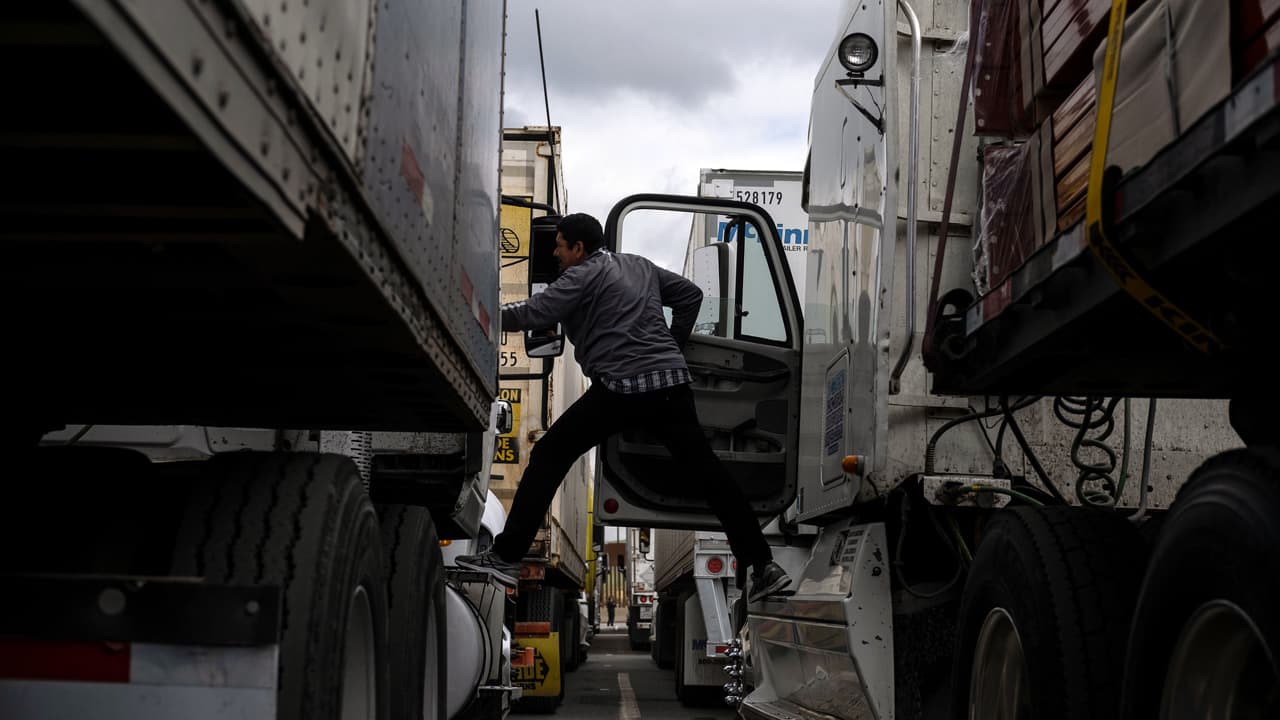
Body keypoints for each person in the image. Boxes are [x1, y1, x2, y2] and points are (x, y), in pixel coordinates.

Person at [457, 212, 791, 603]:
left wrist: (480, 309)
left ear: (578, 248)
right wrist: (671, 342)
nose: (557, 254)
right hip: (670, 384)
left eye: (560, 246)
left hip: (620, 389)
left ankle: (506, 557)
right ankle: (763, 566)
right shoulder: (639, 265)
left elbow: (536, 312)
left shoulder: (579, 277)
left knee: (550, 453)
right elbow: (691, 296)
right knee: (710, 475)